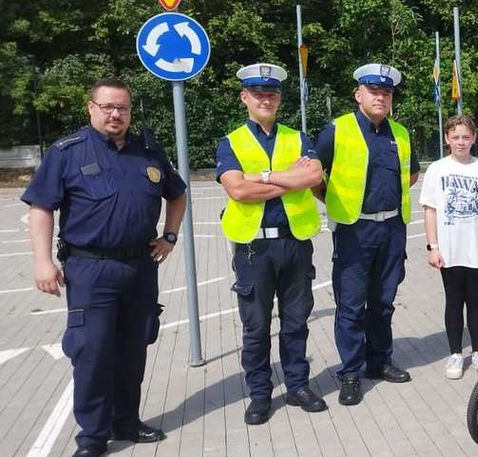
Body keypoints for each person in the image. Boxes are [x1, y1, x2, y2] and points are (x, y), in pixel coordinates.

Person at [22, 78, 186, 457]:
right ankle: (93, 438)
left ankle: (126, 422)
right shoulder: (68, 152)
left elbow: (177, 195)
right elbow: (41, 207)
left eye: (123, 108)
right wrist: (42, 261)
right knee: (92, 353)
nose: (116, 114)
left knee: (134, 349)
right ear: (91, 107)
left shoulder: (148, 151)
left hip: (140, 268)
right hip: (90, 270)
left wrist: (170, 237)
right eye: (108, 107)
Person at [215, 63, 327, 424]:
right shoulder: (230, 141)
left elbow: (313, 175)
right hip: (254, 249)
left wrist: (262, 177)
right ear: (244, 97)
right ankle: (260, 394)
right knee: (256, 326)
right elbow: (237, 189)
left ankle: (297, 386)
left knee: (296, 322)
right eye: (258, 93)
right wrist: (289, 179)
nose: (266, 98)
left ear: (279, 98)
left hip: (295, 244)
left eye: (272, 93)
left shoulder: (298, 137)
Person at [316, 63, 420, 405]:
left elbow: (412, 175)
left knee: (383, 302)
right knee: (350, 305)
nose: (380, 97)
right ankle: (350, 373)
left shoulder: (401, 134)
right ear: (358, 94)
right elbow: (316, 175)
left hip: (391, 228)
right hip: (354, 230)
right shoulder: (337, 130)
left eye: (386, 93)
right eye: (373, 91)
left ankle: (379, 361)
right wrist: (335, 201)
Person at [420, 116, 478, 379]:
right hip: (450, 249)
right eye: (455, 137)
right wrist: (433, 247)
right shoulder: (437, 169)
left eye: (465, 137)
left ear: (473, 138)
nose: (460, 142)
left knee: (476, 300)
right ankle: (456, 353)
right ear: (447, 138)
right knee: (454, 301)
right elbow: (430, 210)